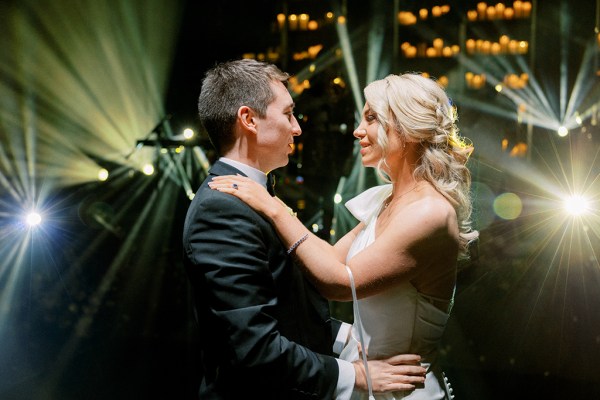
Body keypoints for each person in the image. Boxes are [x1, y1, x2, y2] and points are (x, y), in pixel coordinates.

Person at [209, 72, 479, 399]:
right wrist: (349, 341)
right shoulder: (388, 199)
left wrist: (274, 207)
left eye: (371, 118)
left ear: (408, 129)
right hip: (371, 379)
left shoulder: (429, 213)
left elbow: (338, 282)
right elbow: (331, 258)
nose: (358, 131)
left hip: (402, 389)